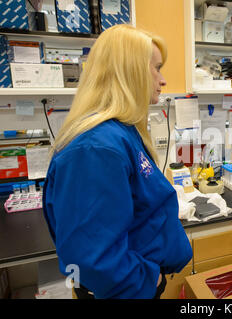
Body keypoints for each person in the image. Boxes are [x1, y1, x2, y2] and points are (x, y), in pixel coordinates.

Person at [43, 25, 192, 299]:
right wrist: (148, 280)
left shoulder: (122, 132)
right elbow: (91, 257)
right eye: (156, 68)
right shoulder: (96, 149)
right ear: (130, 72)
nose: (162, 80)